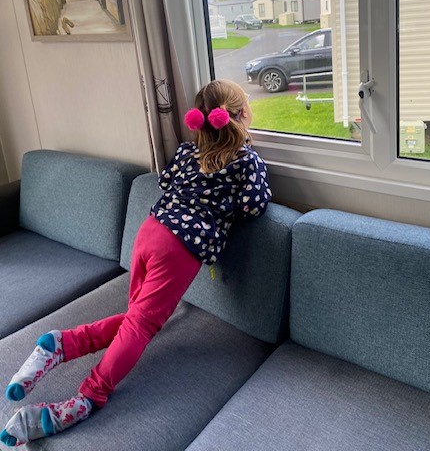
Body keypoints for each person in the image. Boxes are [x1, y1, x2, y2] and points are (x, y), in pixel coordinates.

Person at [1, 79, 272, 446]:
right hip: (178, 250)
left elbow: (166, 185)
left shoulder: (186, 152)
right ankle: (90, 396)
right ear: (240, 116)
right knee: (141, 329)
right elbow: (255, 206)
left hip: (149, 231)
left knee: (136, 320)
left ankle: (60, 344)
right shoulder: (245, 161)